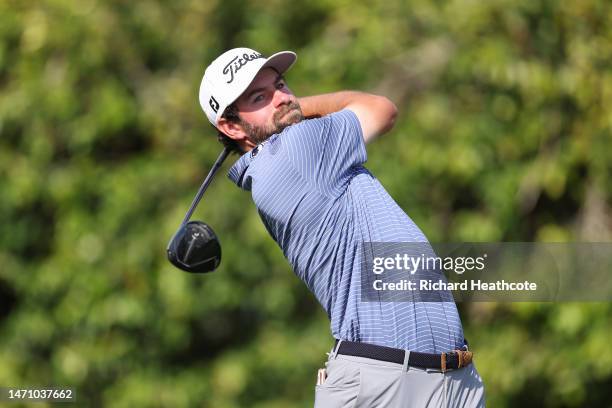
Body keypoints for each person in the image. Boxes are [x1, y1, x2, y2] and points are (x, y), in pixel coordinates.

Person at [199, 47, 486, 407]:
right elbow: (383, 109)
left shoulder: (280, 162)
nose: (283, 99)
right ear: (230, 125)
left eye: (281, 85)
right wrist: (302, 105)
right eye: (260, 97)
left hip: (449, 380)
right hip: (386, 384)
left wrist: (283, 107)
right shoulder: (294, 149)